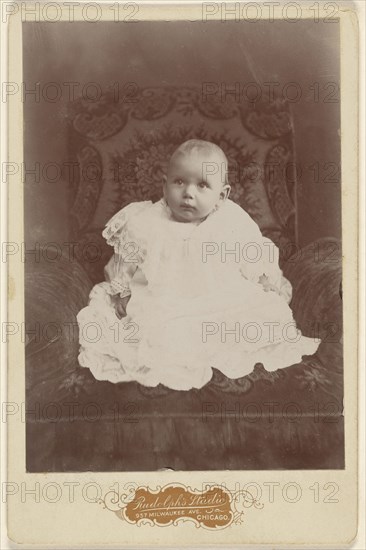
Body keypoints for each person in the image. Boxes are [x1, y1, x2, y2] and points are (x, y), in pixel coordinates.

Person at [76, 139, 319, 390]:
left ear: (221, 195)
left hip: (220, 297)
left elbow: (253, 255)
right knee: (159, 333)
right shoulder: (146, 222)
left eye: (202, 185)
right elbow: (124, 263)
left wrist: (267, 282)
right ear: (164, 185)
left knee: (261, 315)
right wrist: (121, 292)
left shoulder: (230, 219)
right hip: (166, 301)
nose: (188, 193)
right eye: (179, 182)